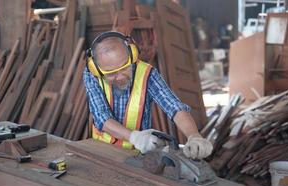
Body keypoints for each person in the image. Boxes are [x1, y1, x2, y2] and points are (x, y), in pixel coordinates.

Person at [83, 31, 213, 160]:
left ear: (132, 55)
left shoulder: (147, 74)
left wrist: (193, 135)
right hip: (103, 151)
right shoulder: (92, 75)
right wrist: (135, 137)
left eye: (124, 68)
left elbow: (174, 106)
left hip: (138, 153)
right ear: (96, 68)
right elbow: (101, 116)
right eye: (111, 73)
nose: (119, 77)